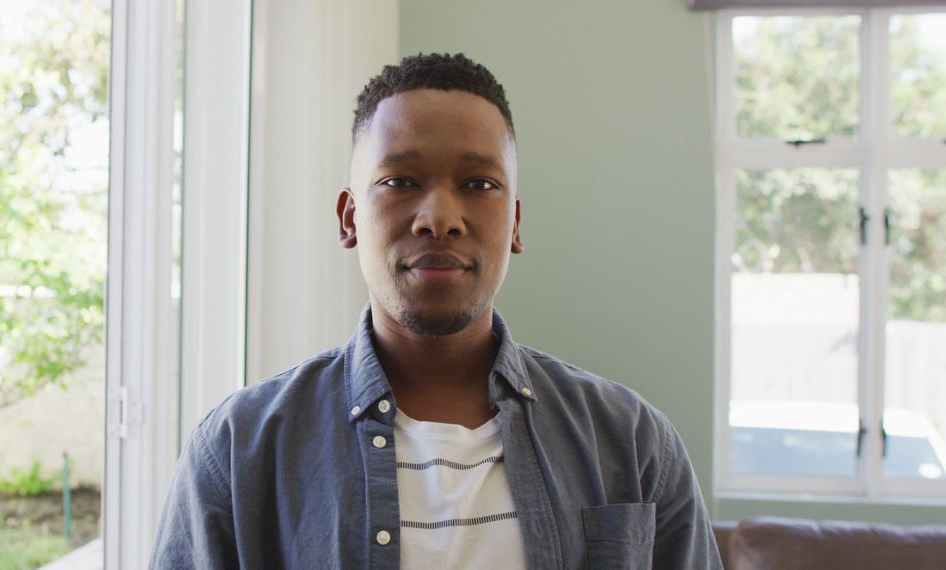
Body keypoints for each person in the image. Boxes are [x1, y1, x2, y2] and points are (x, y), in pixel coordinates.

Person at [150, 52, 722, 569]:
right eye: (400, 180)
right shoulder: (238, 450)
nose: (439, 218)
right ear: (349, 218)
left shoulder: (632, 441)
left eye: (478, 183)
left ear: (515, 224)